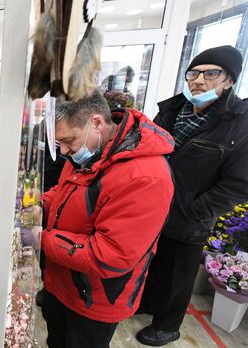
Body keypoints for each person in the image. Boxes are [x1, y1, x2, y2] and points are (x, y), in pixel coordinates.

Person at [40, 91, 174, 347]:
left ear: (97, 123)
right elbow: (66, 189)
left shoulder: (145, 176)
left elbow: (111, 254)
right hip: (62, 280)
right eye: (60, 144)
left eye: (69, 141)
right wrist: (37, 207)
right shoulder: (91, 149)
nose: (65, 151)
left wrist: (41, 238)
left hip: (94, 297)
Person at [136, 45, 248, 346]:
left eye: (211, 73)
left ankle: (168, 324)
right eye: (194, 73)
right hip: (153, 207)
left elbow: (238, 183)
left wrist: (196, 209)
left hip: (191, 216)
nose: (199, 80)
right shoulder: (171, 111)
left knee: (178, 273)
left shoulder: (239, 122)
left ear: (228, 81)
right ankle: (146, 304)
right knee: (154, 263)